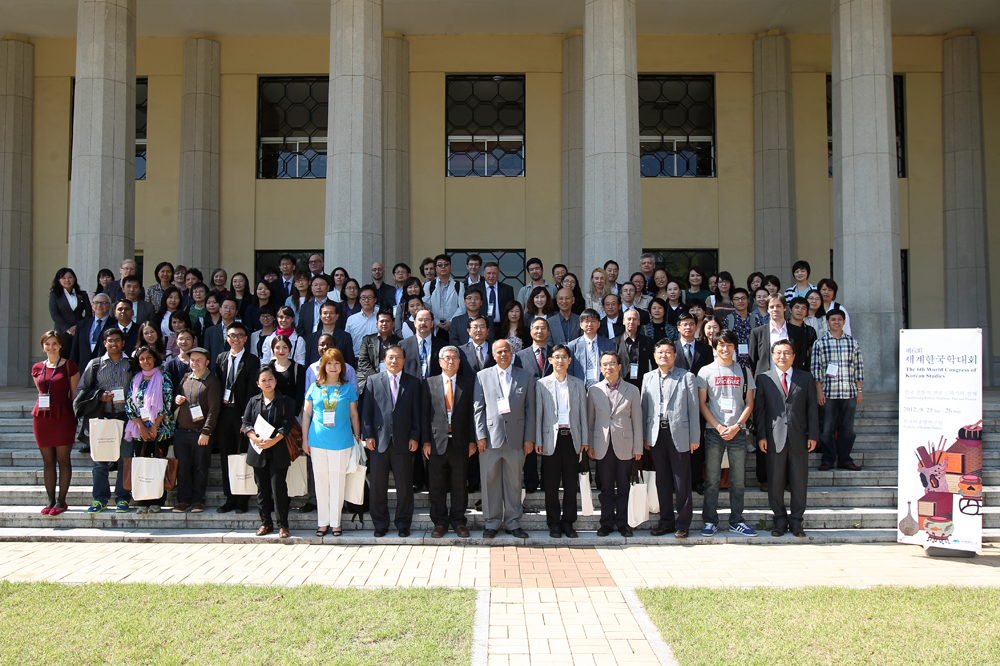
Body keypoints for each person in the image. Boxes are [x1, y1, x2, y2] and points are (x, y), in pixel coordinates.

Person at [754, 339, 818, 537]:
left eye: (787, 353)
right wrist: (761, 436)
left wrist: (813, 435)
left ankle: (797, 521)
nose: (782, 357)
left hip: (799, 437)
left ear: (794, 356)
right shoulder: (764, 378)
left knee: (799, 482)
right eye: (778, 353)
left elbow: (812, 409)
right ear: (773, 356)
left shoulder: (805, 378)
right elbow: (760, 411)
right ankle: (779, 520)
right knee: (775, 482)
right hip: (774, 438)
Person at [473, 339, 535, 539]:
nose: (503, 355)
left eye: (506, 351)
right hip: (490, 439)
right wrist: (480, 435)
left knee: (514, 482)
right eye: (498, 352)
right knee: (489, 481)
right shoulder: (482, 376)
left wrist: (529, 438)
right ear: (493, 354)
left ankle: (513, 522)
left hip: (517, 439)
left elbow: (530, 410)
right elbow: (478, 409)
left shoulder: (525, 376)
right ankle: (491, 522)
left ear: (512, 352)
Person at [697, 329, 757, 537]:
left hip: (738, 432)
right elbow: (702, 403)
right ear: (715, 347)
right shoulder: (706, 371)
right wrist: (719, 426)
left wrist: (737, 426)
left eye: (729, 345)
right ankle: (710, 520)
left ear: (734, 347)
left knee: (738, 480)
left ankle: (736, 520)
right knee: (712, 479)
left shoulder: (744, 370)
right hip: (714, 431)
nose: (725, 348)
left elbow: (749, 402)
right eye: (721, 345)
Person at [640, 339, 701, 538]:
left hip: (680, 433)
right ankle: (666, 521)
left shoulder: (687, 377)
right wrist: (643, 436)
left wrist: (694, 436)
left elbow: (694, 408)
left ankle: (683, 523)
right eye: (660, 353)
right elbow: (644, 408)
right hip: (657, 434)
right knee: (662, 480)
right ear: (655, 356)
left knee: (681, 481)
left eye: (668, 352)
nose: (664, 356)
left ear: (675, 356)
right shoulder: (648, 378)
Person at [362, 345, 422, 537]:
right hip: (378, 441)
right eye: (390, 358)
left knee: (404, 485)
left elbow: (417, 413)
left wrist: (415, 436)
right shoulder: (373, 381)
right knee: (378, 486)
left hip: (404, 441)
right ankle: (380, 523)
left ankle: (403, 523)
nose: (394, 361)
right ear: (384, 360)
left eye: (398, 358)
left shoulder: (413, 383)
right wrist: (368, 435)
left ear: (404, 361)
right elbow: (367, 412)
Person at [303, 348, 360, 537]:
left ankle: (336, 523)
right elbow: (306, 414)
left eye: (337, 363)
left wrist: (357, 436)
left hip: (342, 441)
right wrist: (304, 439)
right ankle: (322, 522)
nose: (333, 367)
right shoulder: (314, 387)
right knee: (320, 481)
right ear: (323, 366)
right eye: (329, 363)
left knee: (337, 481)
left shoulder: (347, 388)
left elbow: (353, 414)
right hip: (317, 441)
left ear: (342, 366)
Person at [421, 346, 476, 538]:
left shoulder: (468, 384)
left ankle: (459, 522)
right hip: (436, 443)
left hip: (461, 443)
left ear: (459, 362)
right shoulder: (429, 383)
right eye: (447, 358)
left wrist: (472, 441)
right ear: (440, 362)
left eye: (454, 358)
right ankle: (440, 522)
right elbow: (424, 415)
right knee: (437, 485)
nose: (450, 361)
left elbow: (472, 415)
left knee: (460, 484)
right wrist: (425, 442)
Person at [535, 344, 589, 538]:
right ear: (550, 360)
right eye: (556, 357)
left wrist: (584, 439)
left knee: (570, 483)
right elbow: (538, 415)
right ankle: (553, 523)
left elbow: (583, 413)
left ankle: (568, 522)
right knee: (550, 484)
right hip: (551, 439)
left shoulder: (577, 383)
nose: (560, 360)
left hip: (571, 438)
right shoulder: (541, 384)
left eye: (564, 357)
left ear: (569, 361)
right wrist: (537, 439)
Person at [78, 328, 135, 513]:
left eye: (117, 340)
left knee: (125, 460)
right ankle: (100, 499)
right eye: (110, 340)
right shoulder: (95, 365)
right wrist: (99, 395)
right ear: (104, 343)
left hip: (126, 417)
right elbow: (82, 390)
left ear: (123, 343)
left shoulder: (132, 363)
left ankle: (123, 498)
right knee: (100, 461)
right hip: (103, 418)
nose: (114, 344)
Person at [588, 351, 643, 537]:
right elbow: (590, 421)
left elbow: (637, 420)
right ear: (601, 368)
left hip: (625, 445)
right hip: (602, 444)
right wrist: (590, 445)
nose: (608, 367)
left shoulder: (632, 390)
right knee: (606, 487)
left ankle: (623, 523)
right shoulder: (594, 390)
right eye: (604, 364)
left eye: (612, 363)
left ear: (620, 366)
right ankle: (606, 522)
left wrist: (638, 448)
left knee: (624, 486)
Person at [242, 365, 295, 538]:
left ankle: (283, 525)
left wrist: (273, 440)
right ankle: (265, 522)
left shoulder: (286, 401)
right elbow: (247, 423)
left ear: (276, 381)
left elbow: (286, 426)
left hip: (278, 449)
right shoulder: (253, 401)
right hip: (258, 450)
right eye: (263, 380)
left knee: (278, 487)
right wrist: (255, 438)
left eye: (270, 379)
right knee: (262, 489)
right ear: (258, 383)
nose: (267, 383)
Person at [213, 321, 261, 514]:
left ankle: (242, 499)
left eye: (240, 335)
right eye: (232, 335)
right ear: (227, 338)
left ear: (246, 338)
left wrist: (246, 418)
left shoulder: (251, 360)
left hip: (241, 413)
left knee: (242, 455)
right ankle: (229, 497)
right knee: (226, 456)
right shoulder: (221, 358)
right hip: (224, 412)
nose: (236, 339)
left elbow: (252, 390)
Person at [32, 331, 79, 516]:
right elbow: (40, 390)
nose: (51, 347)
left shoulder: (69, 366)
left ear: (60, 345)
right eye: (47, 344)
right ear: (42, 346)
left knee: (63, 459)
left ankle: (61, 501)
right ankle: (50, 500)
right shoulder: (37, 367)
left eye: (54, 343)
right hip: (42, 417)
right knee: (48, 460)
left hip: (63, 415)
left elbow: (75, 395)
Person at [812, 309, 864, 472]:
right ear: (827, 322)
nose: (836, 322)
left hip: (848, 392)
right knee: (827, 429)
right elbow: (816, 369)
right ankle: (828, 459)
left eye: (839, 319)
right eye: (833, 319)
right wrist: (819, 392)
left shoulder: (852, 342)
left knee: (847, 430)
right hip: (828, 393)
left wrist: (859, 390)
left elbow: (859, 367)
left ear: (843, 322)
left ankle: (845, 459)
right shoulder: (820, 343)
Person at [125, 345, 176, 514]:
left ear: (155, 359)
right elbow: (130, 405)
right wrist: (141, 426)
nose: (145, 361)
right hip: (139, 431)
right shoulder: (135, 379)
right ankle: (142, 500)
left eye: (148, 358)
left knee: (157, 464)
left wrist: (154, 426)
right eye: (142, 359)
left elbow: (167, 404)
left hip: (160, 431)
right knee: (142, 464)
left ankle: (157, 500)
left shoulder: (164, 377)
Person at [172, 346, 220, 513]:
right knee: (183, 467)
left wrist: (206, 431)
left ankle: (198, 500)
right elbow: (174, 399)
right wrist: (176, 399)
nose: (195, 363)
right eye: (192, 360)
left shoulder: (212, 381)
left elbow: (214, 410)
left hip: (201, 433)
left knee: (200, 467)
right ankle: (183, 500)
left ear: (207, 362)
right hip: (182, 432)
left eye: (199, 360)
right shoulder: (186, 378)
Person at [513, 317, 552, 493]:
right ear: (530, 332)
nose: (539, 331)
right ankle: (530, 482)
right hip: (528, 405)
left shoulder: (556, 353)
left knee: (549, 442)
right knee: (529, 442)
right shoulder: (520, 356)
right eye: (536, 328)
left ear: (548, 332)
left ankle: (547, 481)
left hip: (552, 405)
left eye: (543, 328)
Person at [49, 268, 92, 359]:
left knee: (78, 358)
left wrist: (78, 326)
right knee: (63, 358)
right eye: (63, 278)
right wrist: (68, 328)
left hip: (80, 331)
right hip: (62, 332)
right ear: (59, 280)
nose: (67, 280)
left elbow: (88, 312)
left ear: (74, 279)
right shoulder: (55, 295)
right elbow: (54, 314)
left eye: (70, 277)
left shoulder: (82, 294)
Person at [567, 309, 616, 388]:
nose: (590, 324)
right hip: (580, 389)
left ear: (599, 324)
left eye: (593, 321)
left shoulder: (608, 344)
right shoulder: (572, 346)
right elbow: (569, 371)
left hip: (604, 388)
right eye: (586, 321)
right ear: (581, 325)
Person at [357, 311, 400, 397]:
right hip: (369, 379)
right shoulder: (367, 340)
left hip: (392, 379)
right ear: (377, 324)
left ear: (393, 324)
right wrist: (376, 378)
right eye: (381, 321)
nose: (384, 324)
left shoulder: (399, 342)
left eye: (387, 321)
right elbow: (363, 362)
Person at [423, 254, 466, 341]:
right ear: (436, 268)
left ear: (450, 267)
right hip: (435, 327)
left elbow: (462, 307)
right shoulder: (429, 286)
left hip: (453, 326)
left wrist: (451, 322)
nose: (443, 267)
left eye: (446, 264)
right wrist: (437, 322)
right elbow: (426, 307)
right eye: (440, 265)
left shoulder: (459, 285)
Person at [305, 300, 357, 368]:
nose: (328, 316)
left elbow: (350, 361)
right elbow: (308, 362)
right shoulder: (311, 338)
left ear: (337, 316)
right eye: (325, 313)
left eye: (331, 313)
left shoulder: (345, 337)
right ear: (320, 316)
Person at [615, 309, 653, 389]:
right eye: (629, 319)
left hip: (643, 386)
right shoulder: (615, 342)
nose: (631, 322)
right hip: (621, 385)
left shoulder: (648, 341)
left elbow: (654, 364)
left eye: (634, 319)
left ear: (638, 322)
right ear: (623, 321)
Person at [269, 335, 306, 412]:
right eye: (277, 347)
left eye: (285, 347)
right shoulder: (269, 368)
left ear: (289, 349)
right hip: (272, 411)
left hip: (291, 412)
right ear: (273, 350)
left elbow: (300, 393)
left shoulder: (297, 368)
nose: (281, 351)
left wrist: (294, 413)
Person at [472, 262, 514, 326]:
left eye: (494, 273)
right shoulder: (475, 288)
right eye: (489, 273)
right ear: (484, 274)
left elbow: (511, 309)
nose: (491, 276)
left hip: (502, 327)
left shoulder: (507, 289)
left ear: (498, 274)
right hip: (481, 326)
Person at [723, 288, 755, 372]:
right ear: (732, 302)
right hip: (733, 363)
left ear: (748, 300)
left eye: (743, 298)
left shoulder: (755, 319)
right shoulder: (727, 320)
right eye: (737, 299)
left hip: (753, 363)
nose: (740, 301)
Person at [203, 297, 241, 367]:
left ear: (236, 312)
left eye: (232, 308)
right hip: (214, 369)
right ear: (220, 310)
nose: (228, 310)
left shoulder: (242, 330)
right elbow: (206, 353)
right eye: (225, 307)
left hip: (235, 368)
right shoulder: (210, 331)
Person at [344, 285, 380, 355]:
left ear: (375, 299)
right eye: (363, 298)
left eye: (369, 297)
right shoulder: (351, 320)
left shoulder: (382, 318)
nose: (366, 300)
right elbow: (346, 342)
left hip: (378, 358)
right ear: (360, 300)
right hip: (357, 359)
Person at [788, 296, 818, 370]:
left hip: (804, 371)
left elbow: (812, 354)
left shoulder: (810, 330)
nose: (800, 310)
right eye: (797, 307)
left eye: (803, 308)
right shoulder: (783, 328)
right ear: (790, 310)